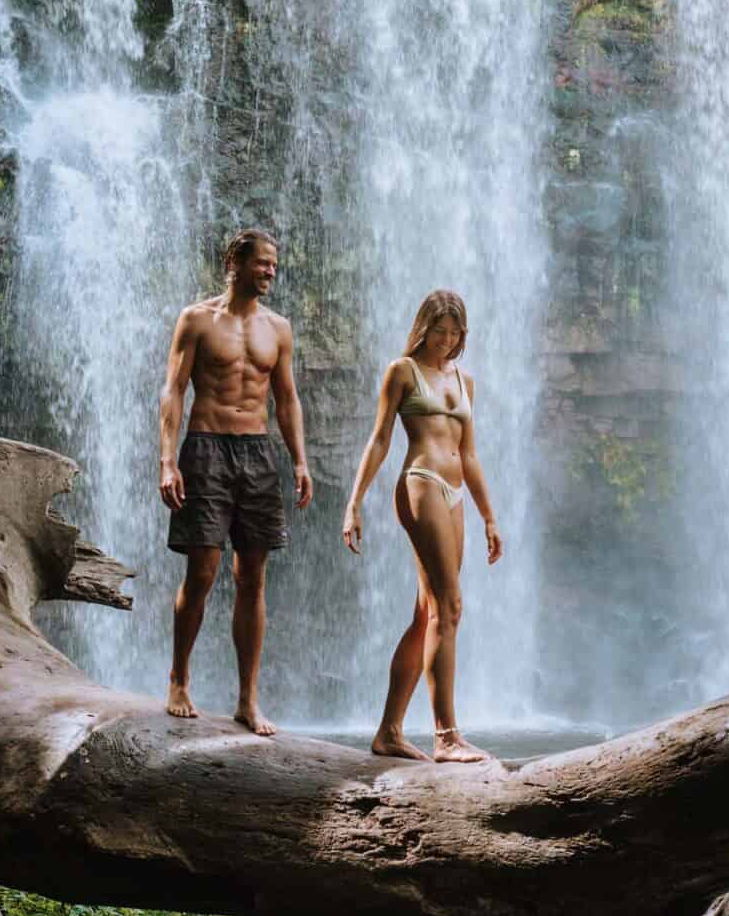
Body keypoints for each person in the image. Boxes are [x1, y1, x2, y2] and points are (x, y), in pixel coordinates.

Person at [159, 228, 312, 735]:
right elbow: (174, 390)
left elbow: (286, 399)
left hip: (258, 452)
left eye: (275, 265)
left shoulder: (279, 329)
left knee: (253, 577)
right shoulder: (197, 320)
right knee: (202, 572)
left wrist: (300, 462)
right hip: (206, 449)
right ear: (235, 262)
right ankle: (179, 678)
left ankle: (248, 700)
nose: (270, 271)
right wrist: (167, 460)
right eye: (263, 263)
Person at [342, 289, 502, 763]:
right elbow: (380, 440)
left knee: (426, 613)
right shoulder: (403, 371)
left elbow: (469, 454)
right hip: (421, 483)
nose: (447, 341)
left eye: (455, 334)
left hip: (454, 494)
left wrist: (489, 516)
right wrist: (354, 504)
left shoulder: (464, 380)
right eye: (439, 332)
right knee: (449, 606)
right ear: (423, 328)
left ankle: (389, 731)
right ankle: (446, 736)